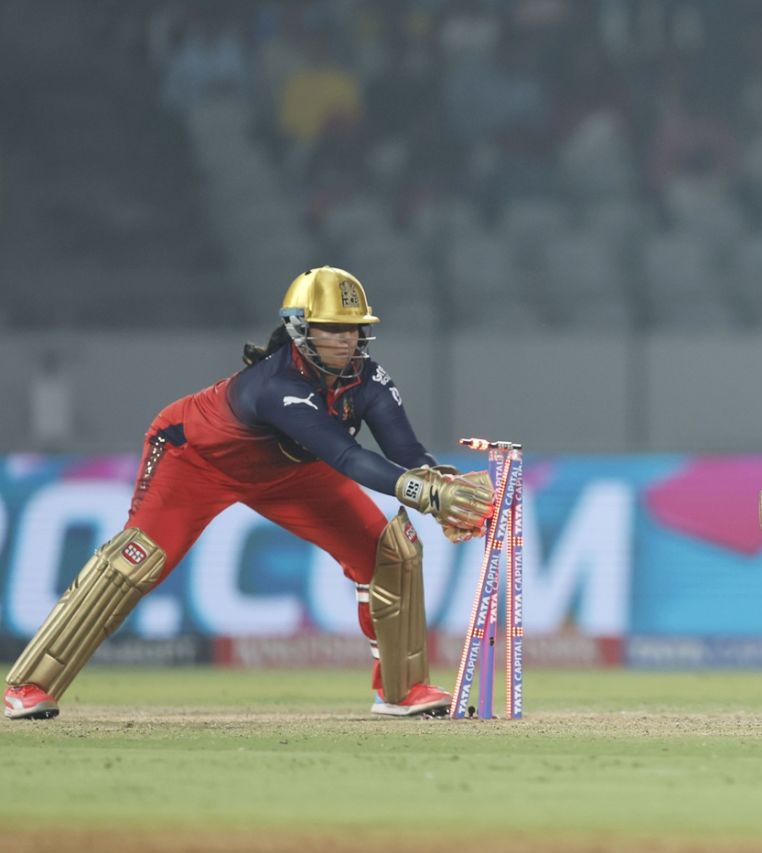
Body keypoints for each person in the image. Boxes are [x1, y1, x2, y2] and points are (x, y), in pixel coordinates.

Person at [5, 267, 493, 721]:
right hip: (194, 459)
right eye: (332, 327)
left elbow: (405, 449)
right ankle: (28, 686)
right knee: (136, 561)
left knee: (392, 552)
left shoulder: (370, 379)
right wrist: (428, 496)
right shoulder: (277, 385)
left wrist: (441, 482)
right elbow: (346, 457)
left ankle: (402, 691)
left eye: (354, 328)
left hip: (290, 472)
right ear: (301, 329)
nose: (348, 339)